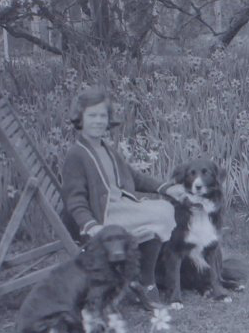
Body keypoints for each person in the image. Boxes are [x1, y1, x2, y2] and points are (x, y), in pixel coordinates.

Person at [61, 87, 181, 303]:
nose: (98, 121)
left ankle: (145, 279)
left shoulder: (106, 148)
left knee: (162, 209)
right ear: (80, 118)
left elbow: (133, 177)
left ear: (108, 120)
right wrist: (90, 226)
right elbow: (75, 199)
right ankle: (145, 281)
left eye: (102, 116)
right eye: (92, 116)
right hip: (102, 217)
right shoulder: (77, 155)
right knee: (161, 214)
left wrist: (165, 187)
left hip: (120, 206)